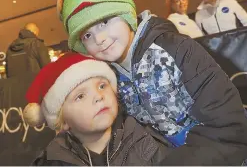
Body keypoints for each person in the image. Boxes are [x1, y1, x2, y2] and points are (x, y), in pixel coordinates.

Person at [44, 0, 247, 166]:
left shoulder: (177, 49)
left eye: (105, 21)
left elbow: (228, 129)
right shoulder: (108, 78)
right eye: (87, 34)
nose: (100, 39)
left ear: (126, 15)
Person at [23, 52, 173, 166]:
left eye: (102, 86)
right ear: (63, 122)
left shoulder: (147, 142)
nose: (98, 96)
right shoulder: (52, 161)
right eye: (80, 96)